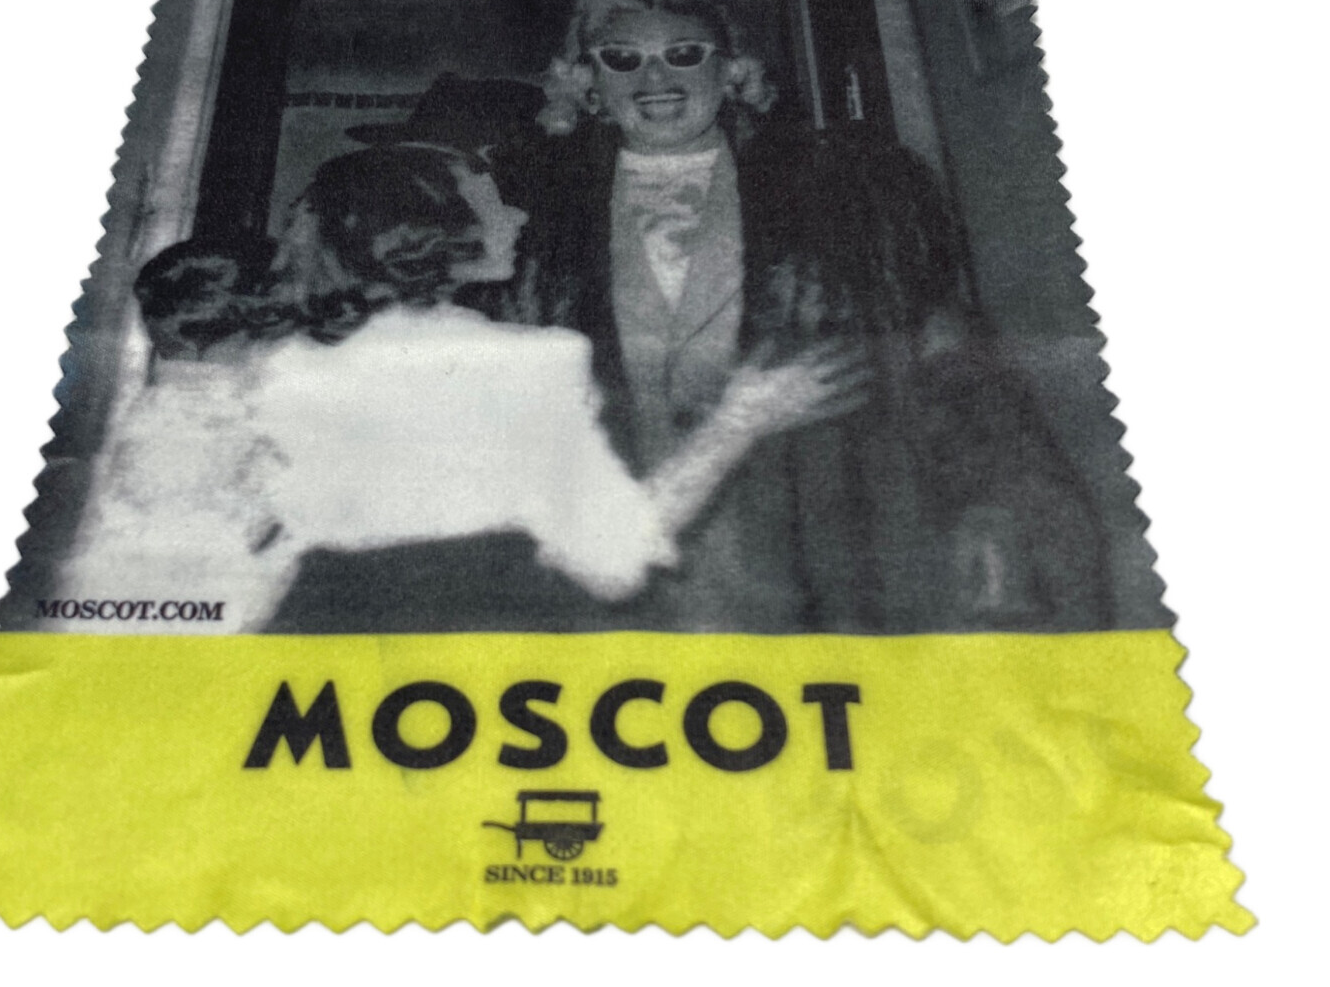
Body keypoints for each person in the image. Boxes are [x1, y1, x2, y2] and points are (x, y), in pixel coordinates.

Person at [44, 143, 868, 633]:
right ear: (429, 233)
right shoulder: (524, 363)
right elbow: (613, 562)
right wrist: (741, 420)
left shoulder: (265, 357)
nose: (518, 218)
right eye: (494, 205)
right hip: (459, 660)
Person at [510, 0, 1108, 632]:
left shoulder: (849, 194)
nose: (655, 78)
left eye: (684, 53)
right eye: (622, 58)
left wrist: (990, 510)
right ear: (587, 84)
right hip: (638, 597)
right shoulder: (549, 242)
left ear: (729, 70)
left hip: (827, 563)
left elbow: (950, 363)